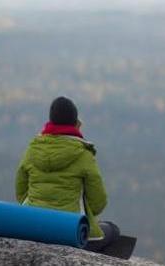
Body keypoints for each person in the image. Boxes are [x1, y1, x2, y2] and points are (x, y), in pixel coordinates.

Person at [15, 96, 119, 251]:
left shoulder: (32, 150)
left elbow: (20, 193)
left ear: (51, 121)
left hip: (34, 227)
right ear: (75, 122)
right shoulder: (83, 154)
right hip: (71, 231)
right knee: (112, 229)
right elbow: (98, 203)